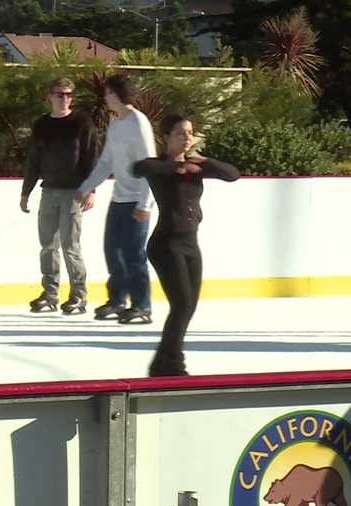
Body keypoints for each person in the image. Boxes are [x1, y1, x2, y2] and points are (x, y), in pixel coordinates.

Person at [132, 113, 240, 377]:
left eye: (190, 133)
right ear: (166, 138)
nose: (187, 137)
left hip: (191, 243)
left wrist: (205, 161)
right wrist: (176, 167)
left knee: (189, 306)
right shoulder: (157, 166)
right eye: (181, 133)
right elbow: (138, 169)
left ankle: (162, 363)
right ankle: (173, 364)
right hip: (165, 243)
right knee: (181, 305)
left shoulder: (197, 165)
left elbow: (233, 175)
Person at [73, 74, 156, 324]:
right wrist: (85, 187)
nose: (105, 98)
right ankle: (118, 300)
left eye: (108, 93)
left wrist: (144, 203)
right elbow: (106, 162)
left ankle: (142, 305)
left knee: (133, 255)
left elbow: (149, 164)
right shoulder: (116, 124)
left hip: (137, 201)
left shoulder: (138, 123)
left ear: (119, 94)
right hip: (118, 199)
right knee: (113, 252)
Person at [21, 76, 99, 315]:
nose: (65, 98)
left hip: (74, 193)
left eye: (68, 94)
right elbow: (35, 161)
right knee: (48, 246)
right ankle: (50, 293)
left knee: (70, 246)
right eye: (60, 94)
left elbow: (92, 157)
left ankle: (78, 295)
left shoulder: (82, 123)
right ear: (50, 96)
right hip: (49, 191)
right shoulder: (42, 125)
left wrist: (91, 190)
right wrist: (26, 192)